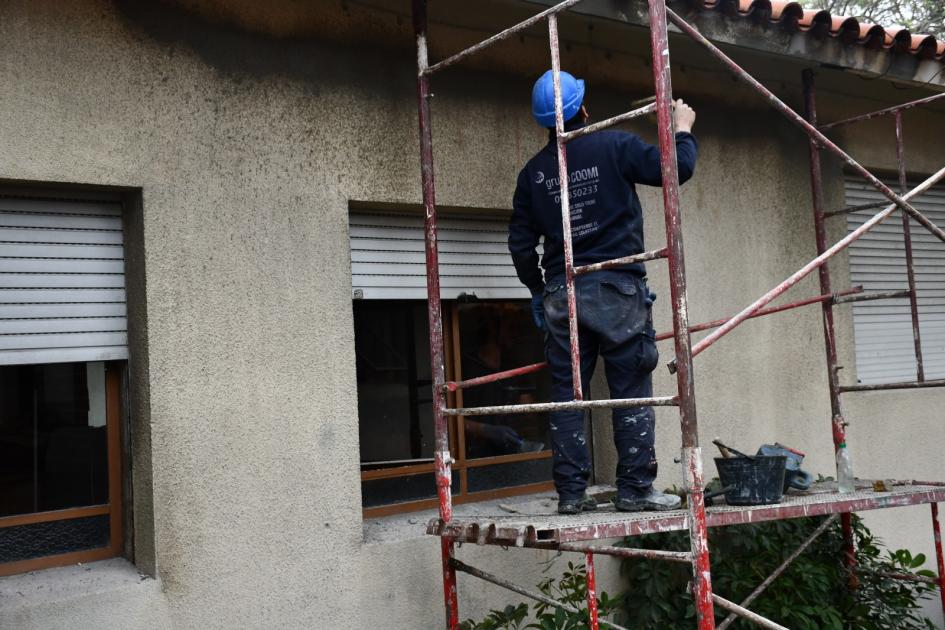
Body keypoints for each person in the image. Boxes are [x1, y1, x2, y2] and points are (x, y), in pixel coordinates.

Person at [508, 69, 698, 515]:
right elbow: (677, 170)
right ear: (583, 109)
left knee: (568, 392)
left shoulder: (533, 175)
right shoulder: (615, 146)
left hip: (561, 293)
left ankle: (571, 495)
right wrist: (681, 128)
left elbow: (519, 244)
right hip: (617, 288)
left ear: (544, 123)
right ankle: (634, 490)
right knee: (629, 385)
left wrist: (539, 289)